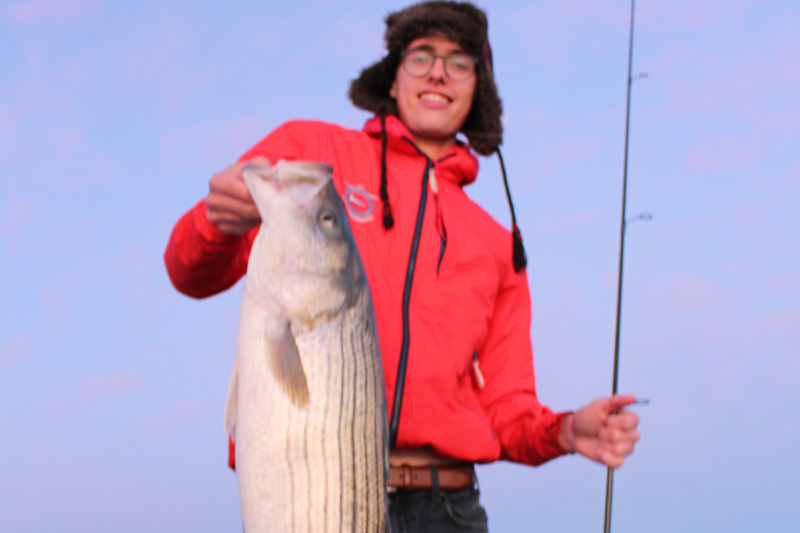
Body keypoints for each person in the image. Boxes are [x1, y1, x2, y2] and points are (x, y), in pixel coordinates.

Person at [164, 1, 641, 531]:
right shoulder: (309, 161)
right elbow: (189, 272)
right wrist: (216, 221)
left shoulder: (498, 243)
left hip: (449, 509)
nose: (438, 71)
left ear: (476, 89)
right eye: (421, 56)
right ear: (392, 79)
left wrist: (565, 431)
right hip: (313, 482)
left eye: (459, 61)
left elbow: (506, 410)